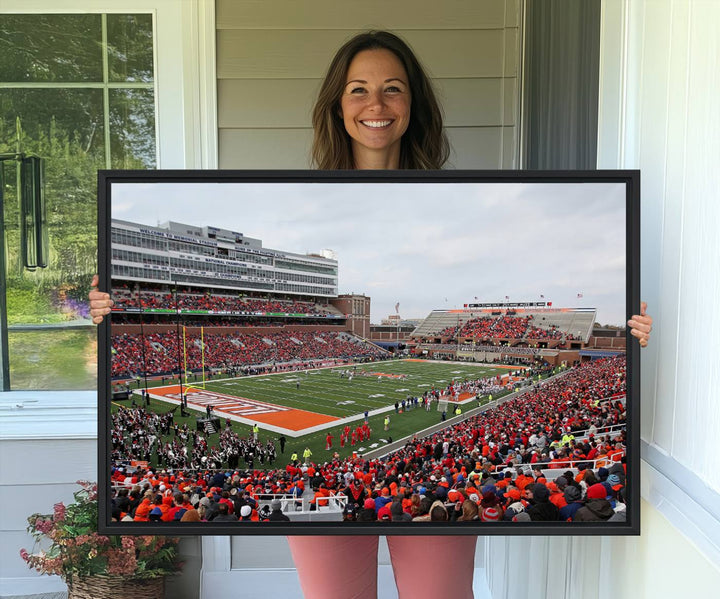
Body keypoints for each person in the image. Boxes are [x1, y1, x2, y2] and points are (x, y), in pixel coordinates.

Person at [89, 29, 653, 599]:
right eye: (358, 89)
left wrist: (631, 336)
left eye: (393, 89)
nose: (376, 105)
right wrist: (104, 314)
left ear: (414, 105)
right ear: (337, 104)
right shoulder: (297, 193)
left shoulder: (458, 194)